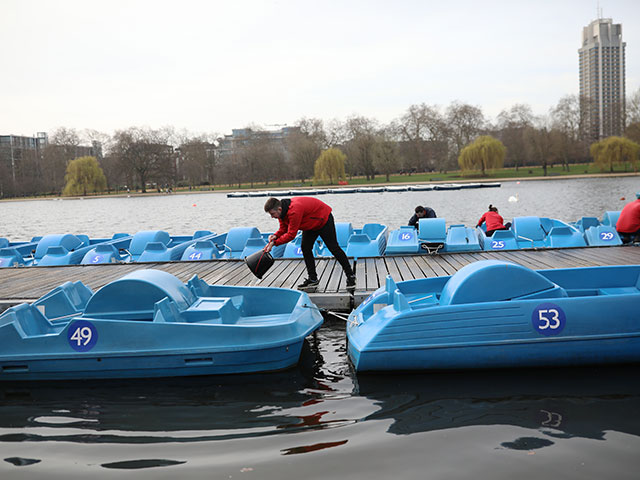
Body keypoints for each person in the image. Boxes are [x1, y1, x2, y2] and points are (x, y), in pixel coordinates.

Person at [263, 197, 356, 292]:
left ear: (279, 209)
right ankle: (313, 279)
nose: (272, 217)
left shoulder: (294, 211)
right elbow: (283, 228)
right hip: (310, 223)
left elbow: (291, 235)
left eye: (272, 214)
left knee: (333, 248)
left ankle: (350, 275)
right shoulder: (282, 213)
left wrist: (275, 243)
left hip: (323, 219)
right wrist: (275, 236)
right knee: (305, 248)